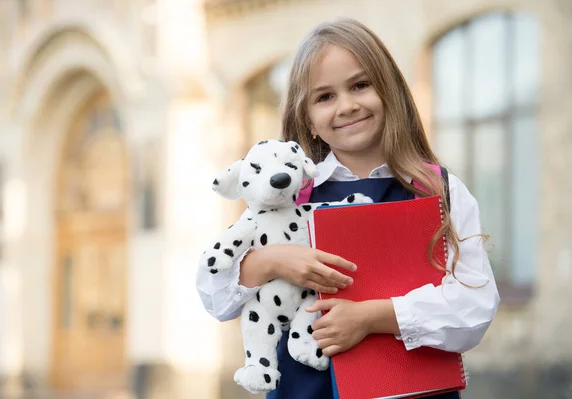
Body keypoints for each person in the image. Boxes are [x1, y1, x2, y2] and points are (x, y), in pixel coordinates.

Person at [196, 18, 500, 399]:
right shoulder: (288, 195)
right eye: (324, 97)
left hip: (414, 390)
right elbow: (215, 296)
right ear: (307, 116)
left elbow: (475, 306)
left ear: (388, 90)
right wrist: (270, 261)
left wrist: (372, 318)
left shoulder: (438, 190)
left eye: (360, 85)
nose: (347, 105)